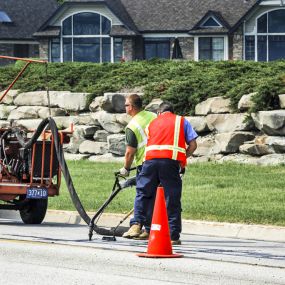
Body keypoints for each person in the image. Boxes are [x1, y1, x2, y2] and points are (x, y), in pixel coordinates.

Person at [123, 101, 197, 244]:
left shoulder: (152, 123)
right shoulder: (181, 121)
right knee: (171, 196)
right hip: (170, 163)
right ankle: (173, 235)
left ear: (159, 113)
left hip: (149, 162)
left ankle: (136, 225)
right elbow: (193, 145)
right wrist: (182, 158)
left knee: (144, 193)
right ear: (172, 111)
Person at [118, 94, 156, 238]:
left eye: (126, 105)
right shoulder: (153, 115)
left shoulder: (132, 126)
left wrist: (126, 169)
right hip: (160, 159)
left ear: (132, 107)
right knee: (153, 196)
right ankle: (149, 228)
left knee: (142, 194)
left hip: (145, 162)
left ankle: (136, 225)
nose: (125, 107)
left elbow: (130, 152)